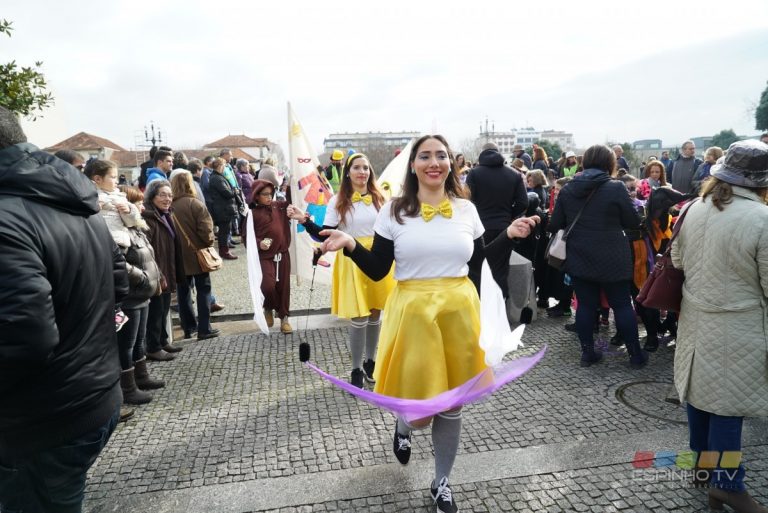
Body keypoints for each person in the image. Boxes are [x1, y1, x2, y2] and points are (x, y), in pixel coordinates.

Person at [319, 135, 539, 513]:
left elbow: (478, 262)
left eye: (441, 155)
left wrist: (509, 235)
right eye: (425, 156)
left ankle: (441, 483)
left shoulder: (466, 209)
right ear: (414, 165)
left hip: (457, 313)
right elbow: (378, 270)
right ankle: (405, 424)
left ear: (450, 163)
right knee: (420, 404)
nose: (433, 162)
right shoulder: (393, 211)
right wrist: (352, 245)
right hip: (414, 314)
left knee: (452, 405)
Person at [0, 106, 128, 512]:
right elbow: (119, 280)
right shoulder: (71, 196)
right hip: (92, 395)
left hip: (41, 419)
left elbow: (23, 336)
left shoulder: (8, 217)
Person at [671, 140, 768, 511]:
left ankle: (702, 466)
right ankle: (728, 484)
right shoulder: (761, 218)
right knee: (727, 405)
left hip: (696, 319)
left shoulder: (694, 208)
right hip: (739, 324)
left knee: (700, 397)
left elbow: (677, 260)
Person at [288, 153, 396, 388]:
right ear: (348, 172)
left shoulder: (382, 198)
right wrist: (305, 220)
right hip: (353, 260)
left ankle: (371, 361)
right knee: (359, 317)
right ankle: (356, 367)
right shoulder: (337, 200)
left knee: (376, 314)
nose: (362, 172)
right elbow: (325, 234)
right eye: (357, 167)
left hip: (379, 257)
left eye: (366, 168)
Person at [548, 144, 647, 369]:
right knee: (622, 304)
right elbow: (632, 222)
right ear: (609, 163)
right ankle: (635, 355)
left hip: (580, 254)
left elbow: (555, 224)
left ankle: (588, 354)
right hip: (613, 254)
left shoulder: (569, 188)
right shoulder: (616, 188)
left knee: (585, 305)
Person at [115, 185, 165, 402]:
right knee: (127, 343)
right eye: (137, 203)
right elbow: (118, 262)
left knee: (139, 340)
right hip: (130, 295)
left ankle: (141, 376)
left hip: (143, 293)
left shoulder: (136, 229)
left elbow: (149, 257)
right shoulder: (119, 234)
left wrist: (156, 275)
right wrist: (142, 277)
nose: (142, 207)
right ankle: (127, 388)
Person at [465, 142, 528, 298]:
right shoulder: (514, 174)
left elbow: (466, 200)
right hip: (504, 228)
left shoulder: (474, 173)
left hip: (478, 229)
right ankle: (499, 309)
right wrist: (509, 215)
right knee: (500, 269)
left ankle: (478, 307)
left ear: (482, 153)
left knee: (477, 268)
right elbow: (523, 202)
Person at [170, 172, 220, 341]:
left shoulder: (170, 206)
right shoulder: (196, 204)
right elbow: (206, 231)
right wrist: (209, 244)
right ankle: (204, 329)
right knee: (203, 290)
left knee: (183, 293)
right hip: (198, 255)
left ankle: (188, 328)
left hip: (177, 256)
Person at [142, 179, 185, 361]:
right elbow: (147, 249)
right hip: (156, 271)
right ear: (152, 197)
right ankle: (153, 346)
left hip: (167, 268)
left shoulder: (166, 214)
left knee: (164, 307)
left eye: (169, 195)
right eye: (162, 195)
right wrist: (157, 272)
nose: (167, 199)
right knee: (156, 310)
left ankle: (163, 340)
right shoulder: (148, 217)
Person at [246, 179, 293, 334]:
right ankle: (268, 307)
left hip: (283, 254)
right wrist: (259, 243)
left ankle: (284, 317)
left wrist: (293, 183)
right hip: (265, 256)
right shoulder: (252, 214)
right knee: (267, 285)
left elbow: (293, 200)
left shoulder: (279, 207)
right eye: (265, 194)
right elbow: (247, 236)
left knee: (284, 287)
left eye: (271, 194)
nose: (269, 197)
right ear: (256, 195)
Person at [207, 157, 239, 260]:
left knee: (225, 230)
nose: (224, 168)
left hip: (224, 208)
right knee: (224, 231)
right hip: (223, 209)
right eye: (224, 166)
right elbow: (227, 193)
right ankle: (224, 252)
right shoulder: (217, 178)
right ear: (220, 166)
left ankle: (224, 250)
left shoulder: (217, 177)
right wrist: (235, 191)